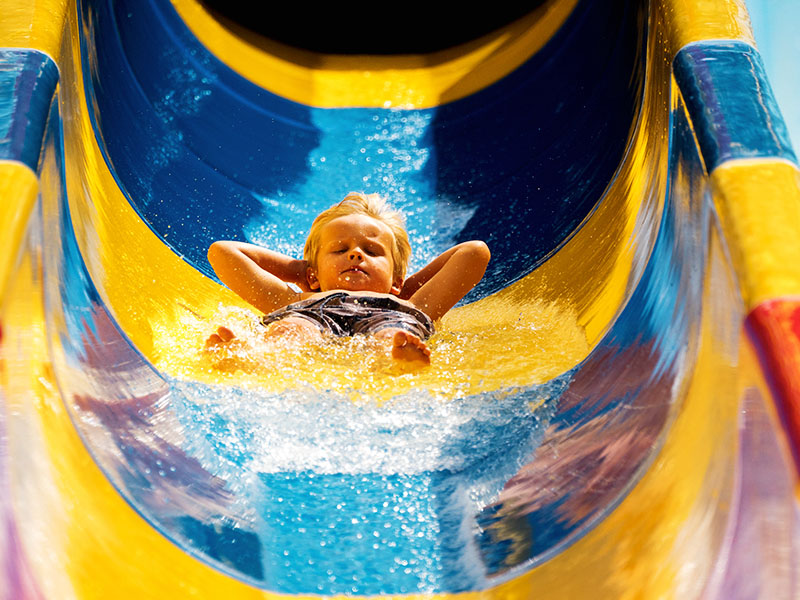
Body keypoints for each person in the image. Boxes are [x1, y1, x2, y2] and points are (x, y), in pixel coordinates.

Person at [205, 192, 490, 366]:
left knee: (394, 337)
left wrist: (402, 290)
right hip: (310, 316)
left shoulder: (411, 305)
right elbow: (223, 252)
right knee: (291, 330)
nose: (355, 254)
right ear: (313, 274)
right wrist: (301, 273)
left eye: (371, 251)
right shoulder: (295, 300)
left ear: (396, 280)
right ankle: (257, 360)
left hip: (389, 320)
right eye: (340, 250)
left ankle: (397, 363)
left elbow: (474, 253)